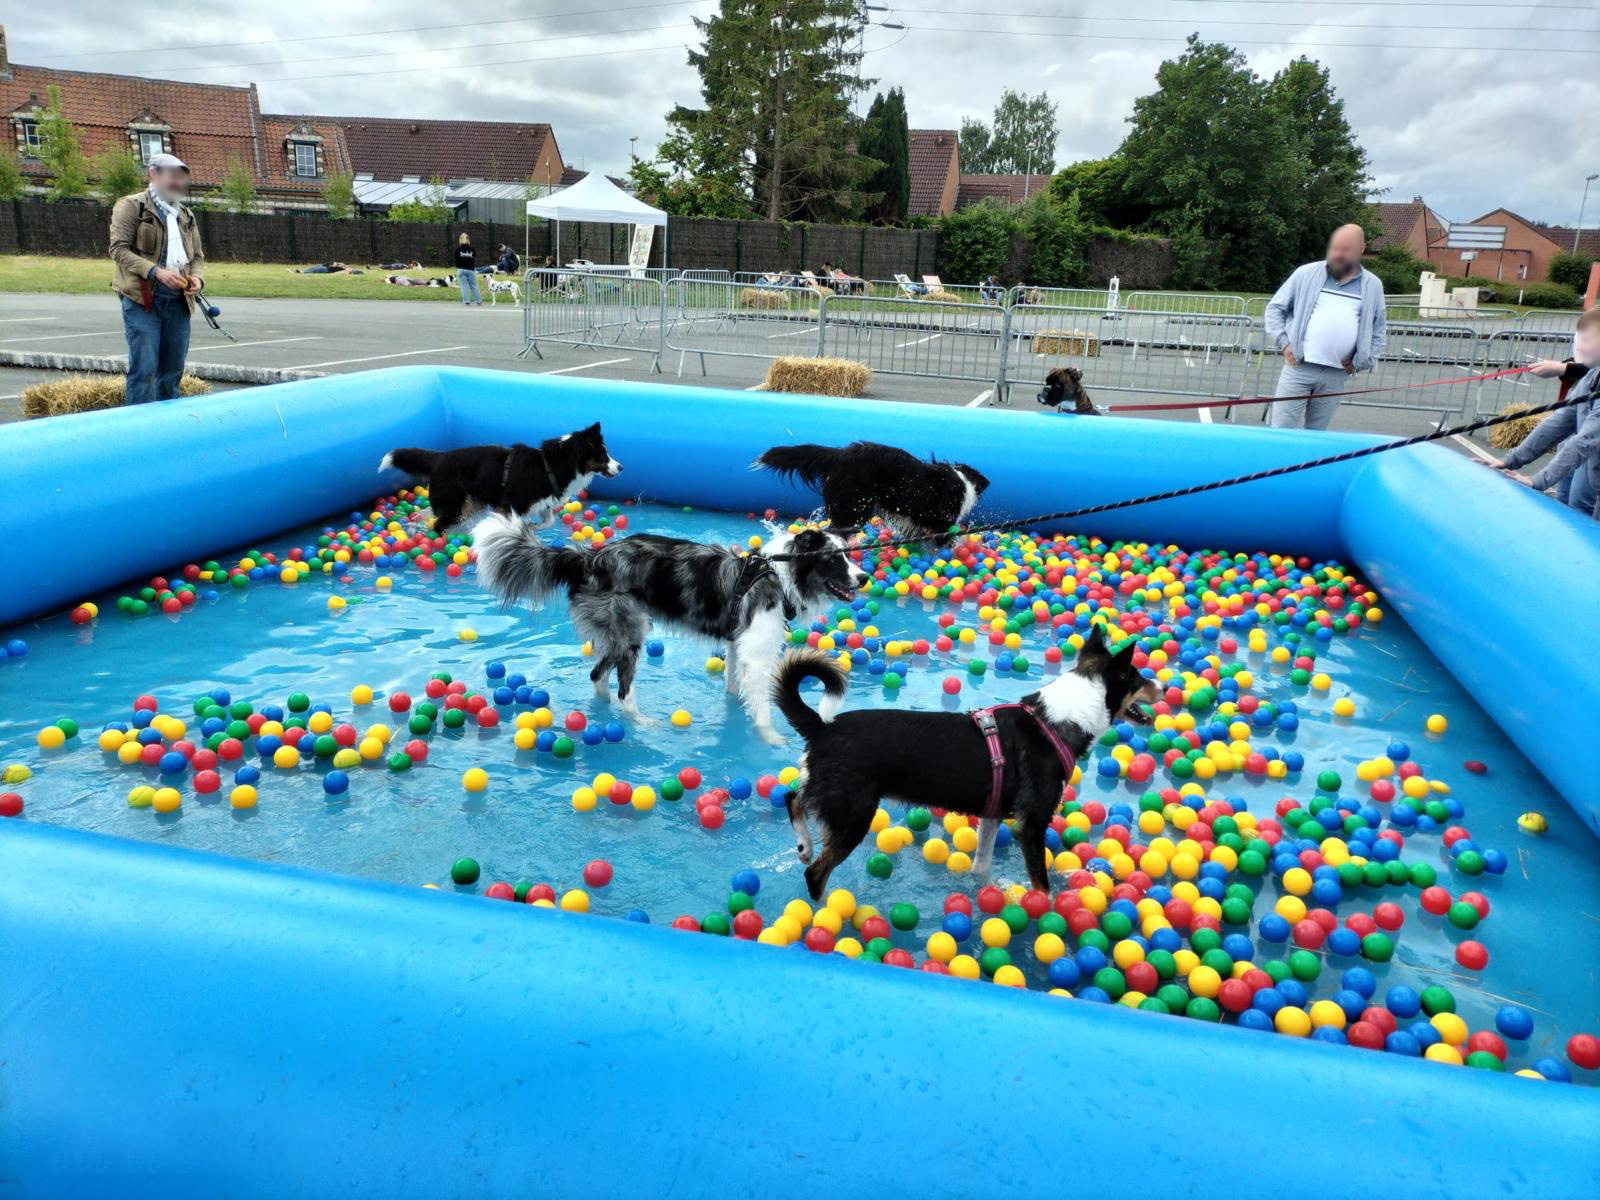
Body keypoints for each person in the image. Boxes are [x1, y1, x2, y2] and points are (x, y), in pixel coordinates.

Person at [1262, 223, 1388, 430]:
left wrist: (1364, 360)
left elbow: (1378, 329)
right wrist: (1284, 344)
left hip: (1336, 375)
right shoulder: (1305, 274)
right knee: (1282, 429)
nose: (1338, 254)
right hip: (1298, 367)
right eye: (1334, 248)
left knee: (1317, 434)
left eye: (1345, 249)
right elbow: (1274, 309)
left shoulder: (1372, 285)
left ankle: (1310, 464)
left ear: (1361, 249)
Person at [108, 152, 204, 406]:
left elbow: (197, 257)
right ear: (153, 174)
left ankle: (167, 431)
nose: (178, 183)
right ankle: (138, 431)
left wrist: (197, 278)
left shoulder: (186, 215)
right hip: (143, 301)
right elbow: (118, 249)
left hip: (179, 302)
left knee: (172, 371)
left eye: (182, 178)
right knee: (144, 370)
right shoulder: (131, 206)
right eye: (173, 176)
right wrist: (156, 272)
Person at [1495, 307, 1600, 519]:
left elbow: (1585, 440)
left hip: (1591, 462)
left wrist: (1539, 480)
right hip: (1590, 466)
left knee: (1584, 515)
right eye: (1579, 338)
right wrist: (1511, 460)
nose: (1578, 346)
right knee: (1571, 505)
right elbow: (1561, 421)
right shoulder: (1592, 376)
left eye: (1587, 339)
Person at [455, 233, 481, 305]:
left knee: (464, 286)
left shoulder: (458, 250)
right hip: (470, 270)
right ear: (468, 240)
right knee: (474, 285)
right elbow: (473, 257)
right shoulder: (472, 249)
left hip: (461, 269)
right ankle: (478, 301)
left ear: (460, 240)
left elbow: (456, 260)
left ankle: (466, 301)